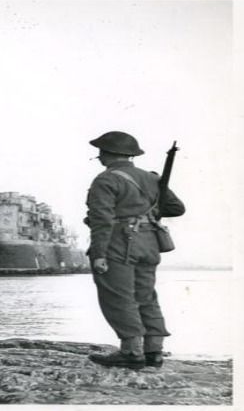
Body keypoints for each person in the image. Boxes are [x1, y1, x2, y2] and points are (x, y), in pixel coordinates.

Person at [84, 131, 185, 369]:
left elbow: (102, 220)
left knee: (118, 297)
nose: (99, 157)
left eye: (101, 153)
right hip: (149, 244)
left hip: (117, 243)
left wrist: (99, 254)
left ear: (107, 154)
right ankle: (154, 351)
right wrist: (148, 211)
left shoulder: (105, 179)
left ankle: (131, 352)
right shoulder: (151, 179)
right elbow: (176, 208)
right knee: (146, 297)